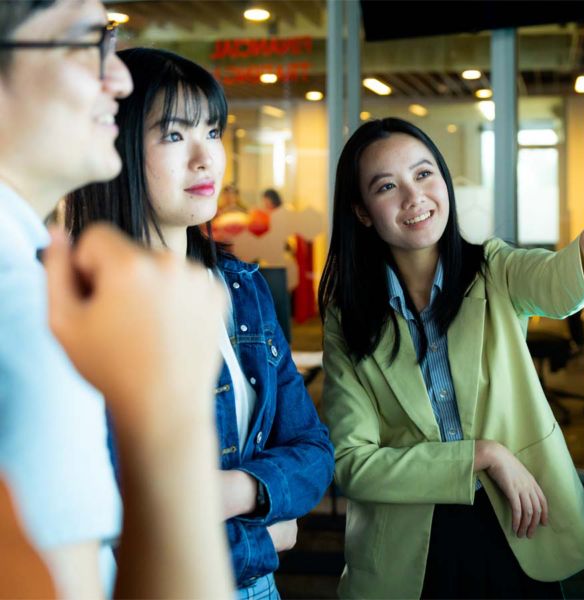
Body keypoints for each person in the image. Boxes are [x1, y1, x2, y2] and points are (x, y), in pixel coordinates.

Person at [319, 117, 584, 599]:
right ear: (362, 211)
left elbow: (550, 282)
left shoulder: (493, 269)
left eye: (423, 174)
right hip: (407, 546)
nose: (414, 198)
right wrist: (482, 455)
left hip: (518, 522)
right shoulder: (346, 317)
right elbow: (353, 463)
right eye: (387, 186)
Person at [66, 47, 335, 598]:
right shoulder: (83, 305)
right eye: (173, 135)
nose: (205, 157)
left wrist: (233, 492)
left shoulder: (242, 288)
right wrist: (266, 537)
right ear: (114, 148)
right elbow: (112, 525)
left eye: (212, 132)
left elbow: (313, 450)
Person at [0, 1, 233, 597]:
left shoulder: (35, 269)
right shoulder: (24, 300)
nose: (119, 77)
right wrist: (169, 420)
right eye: (85, 43)